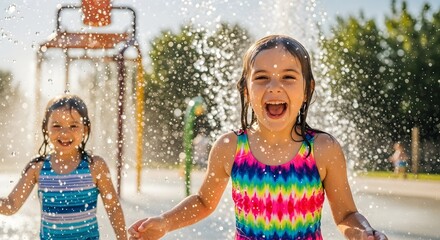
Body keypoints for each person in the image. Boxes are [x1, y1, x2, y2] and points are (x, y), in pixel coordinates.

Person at [128, 35, 388, 240]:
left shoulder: (322, 149)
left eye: (288, 77)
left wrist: (362, 233)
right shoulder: (230, 147)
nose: (274, 87)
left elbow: (346, 214)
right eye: (261, 78)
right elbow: (204, 201)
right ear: (246, 90)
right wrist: (164, 222)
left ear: (308, 90)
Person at [0, 94, 127, 239]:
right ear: (45, 128)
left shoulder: (95, 166)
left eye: (74, 126)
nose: (65, 133)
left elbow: (113, 208)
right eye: (56, 126)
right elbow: (11, 205)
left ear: (85, 129)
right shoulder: (38, 169)